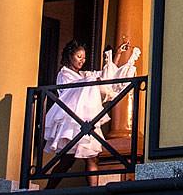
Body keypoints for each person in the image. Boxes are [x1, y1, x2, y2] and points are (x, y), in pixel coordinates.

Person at [41, 38, 139, 174]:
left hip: (87, 120)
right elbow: (72, 91)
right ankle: (48, 191)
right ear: (70, 56)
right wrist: (92, 80)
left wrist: (117, 55)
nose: (82, 60)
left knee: (92, 158)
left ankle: (95, 192)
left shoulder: (83, 74)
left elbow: (105, 77)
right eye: (79, 56)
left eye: (84, 57)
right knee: (66, 162)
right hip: (72, 122)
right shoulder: (64, 74)